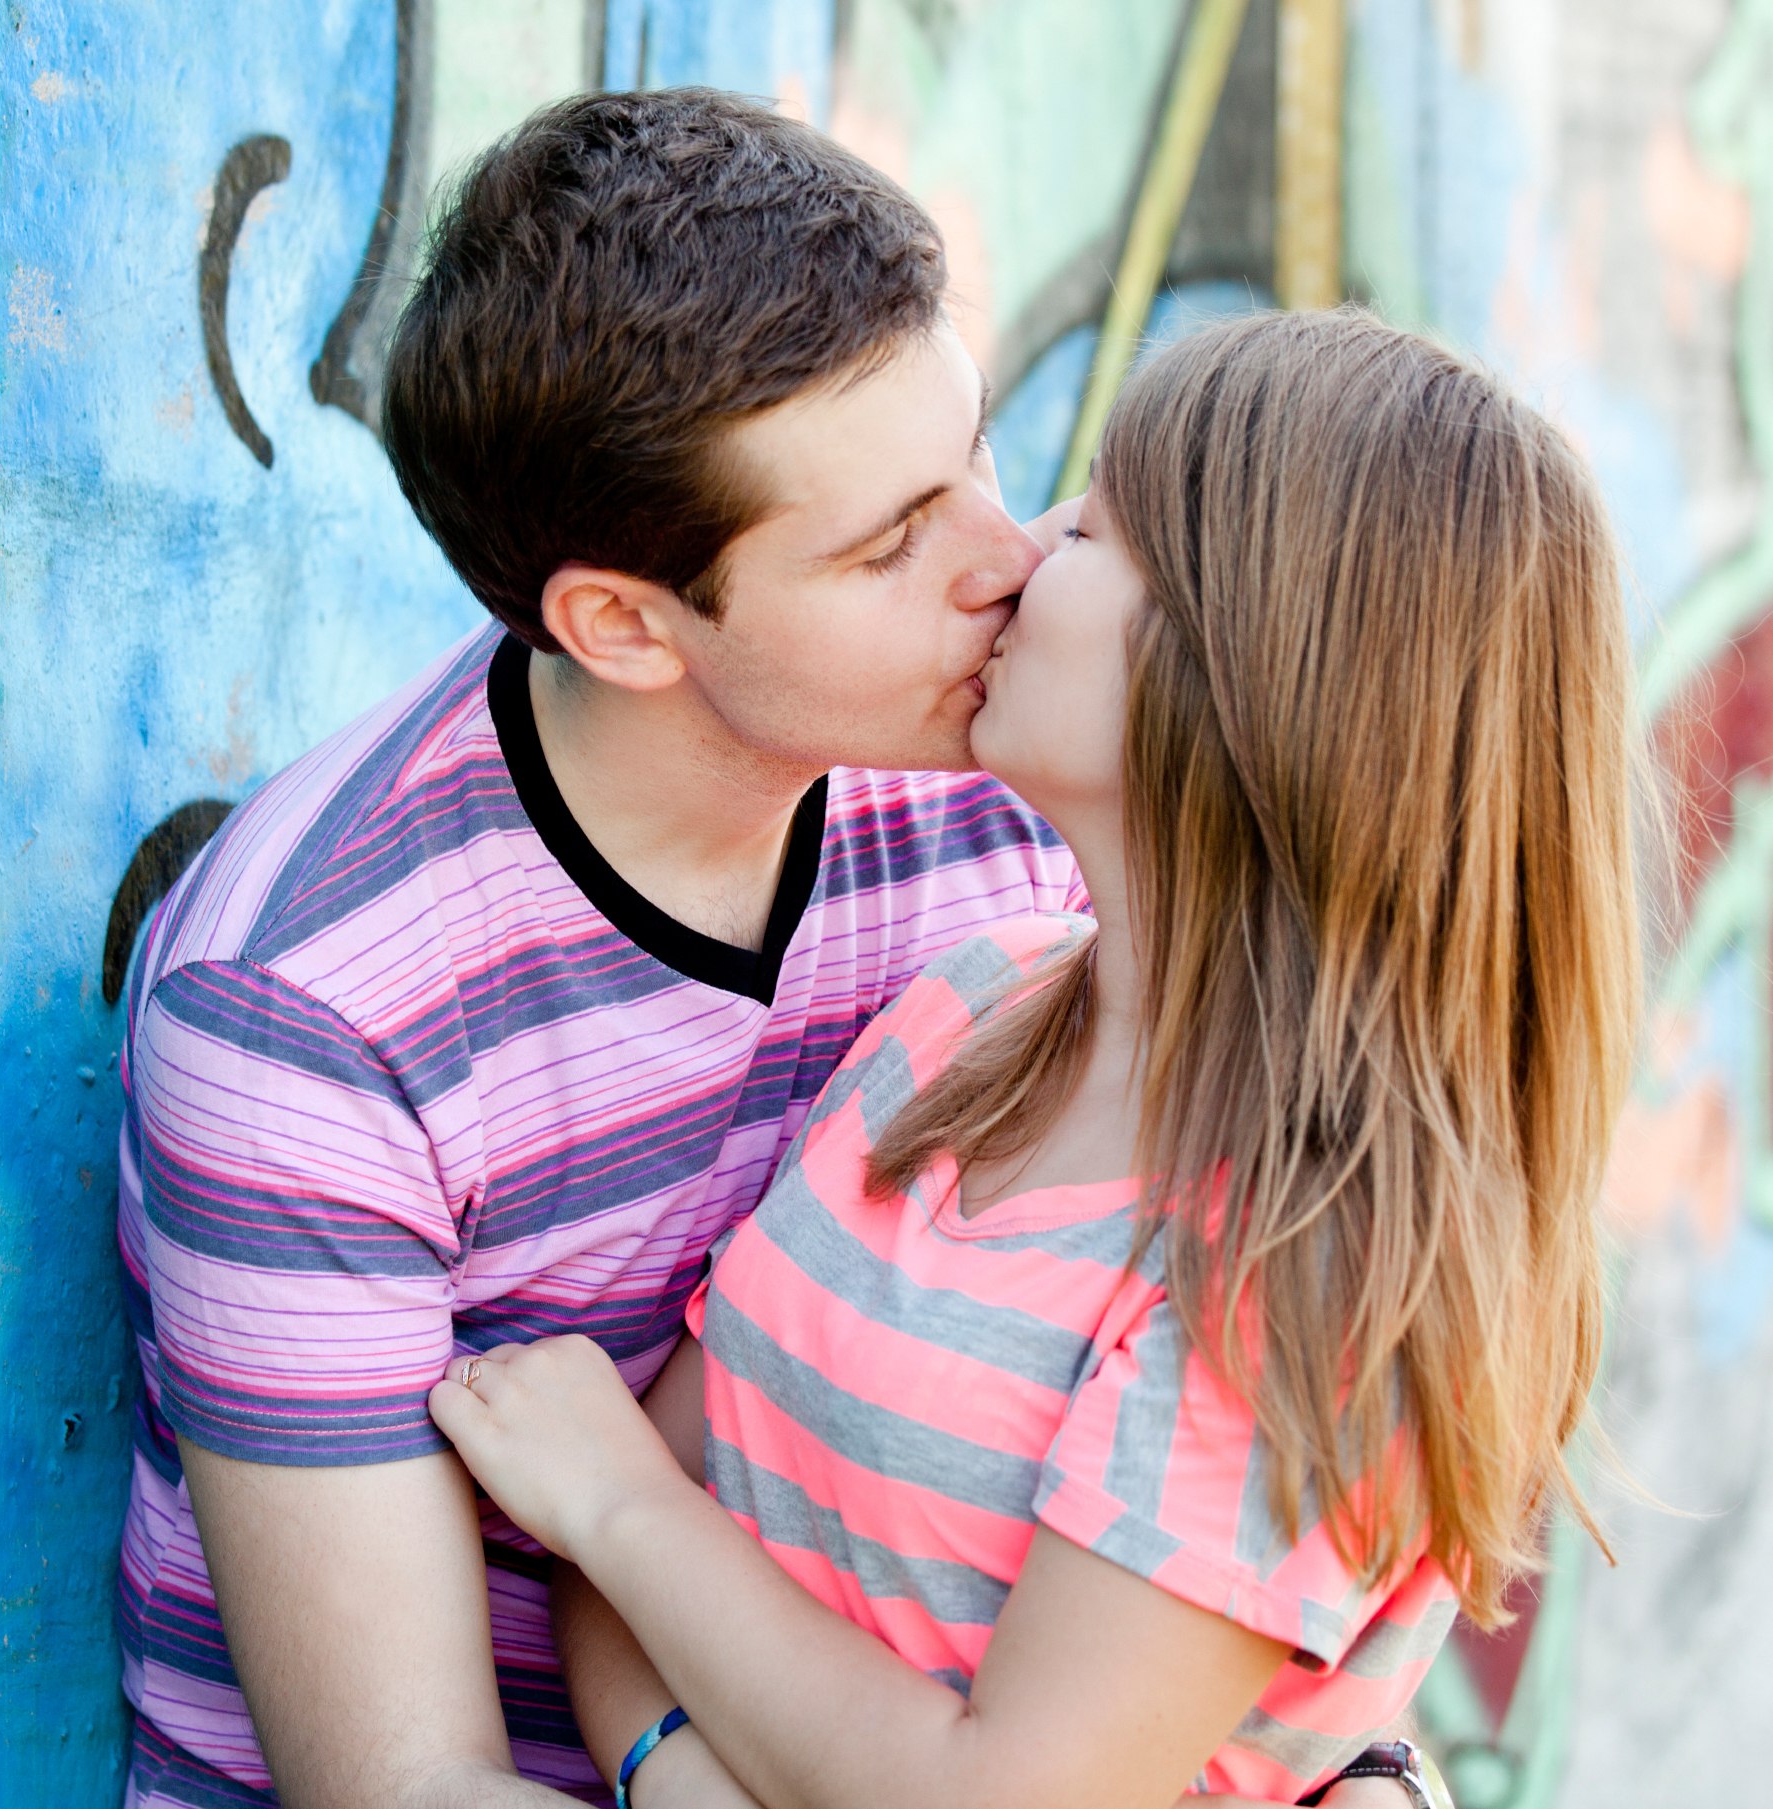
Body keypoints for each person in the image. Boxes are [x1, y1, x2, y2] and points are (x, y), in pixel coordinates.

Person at [430, 308, 1642, 1807]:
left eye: (1096, 525)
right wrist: (672, 1757)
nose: (1017, 551)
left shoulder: (1305, 1274)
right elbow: (649, 1526)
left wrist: (615, 1510)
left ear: (1241, 680)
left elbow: (632, 1512)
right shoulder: (962, 1014)